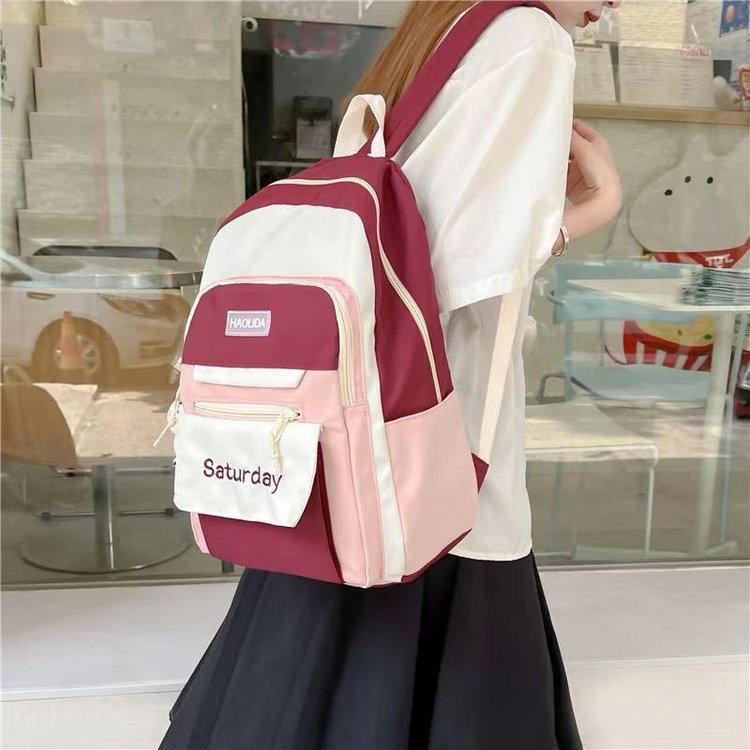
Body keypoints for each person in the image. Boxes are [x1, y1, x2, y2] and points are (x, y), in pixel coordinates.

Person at [160, 2, 622, 748]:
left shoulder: (442, 25)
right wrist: (589, 212)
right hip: (435, 427)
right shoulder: (532, 37)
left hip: (354, 425)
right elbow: (462, 271)